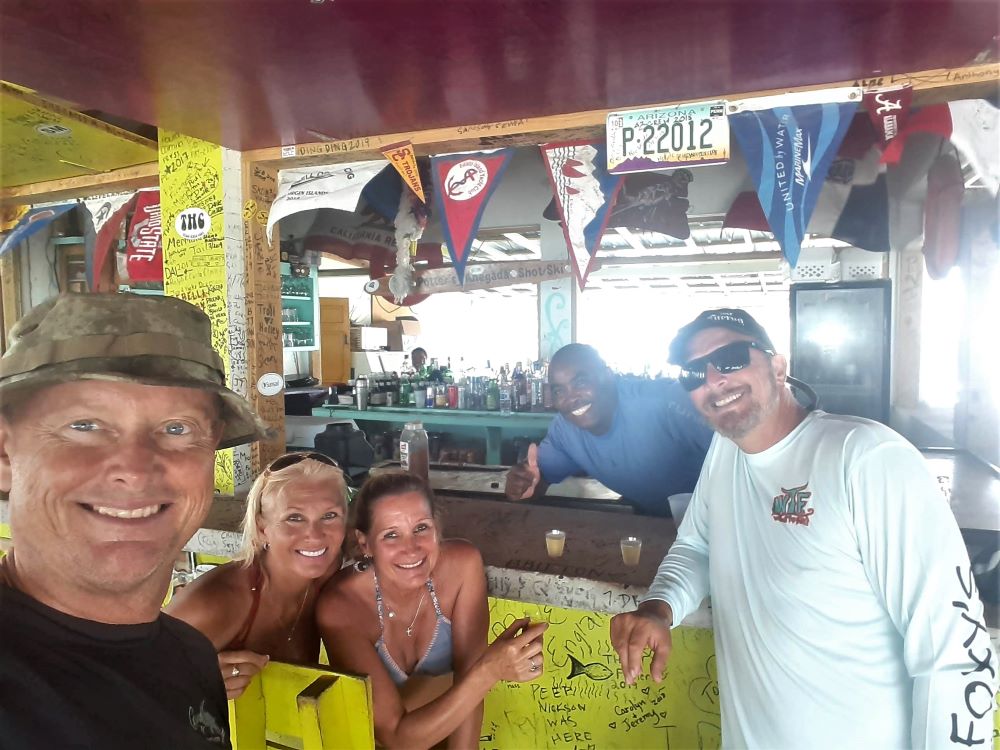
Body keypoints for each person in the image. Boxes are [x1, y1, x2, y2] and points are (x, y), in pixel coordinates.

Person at [610, 308, 997, 748]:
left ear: (778, 367)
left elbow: (955, 655)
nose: (713, 379)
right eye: (693, 372)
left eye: (732, 358)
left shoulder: (866, 458)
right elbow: (698, 545)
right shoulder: (725, 452)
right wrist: (659, 608)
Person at [0, 292, 273, 748]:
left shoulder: (191, 657)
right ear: (5, 454)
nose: (135, 469)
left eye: (177, 429)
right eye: (84, 425)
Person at [317, 472, 546, 749]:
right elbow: (396, 738)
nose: (411, 548)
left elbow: (469, 686)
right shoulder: (341, 606)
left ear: (436, 528)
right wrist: (490, 671)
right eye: (391, 535)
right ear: (365, 543)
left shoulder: (462, 566)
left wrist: (484, 672)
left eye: (421, 528)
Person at [168, 451, 348, 700]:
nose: (315, 535)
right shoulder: (217, 602)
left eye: (329, 516)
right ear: (263, 529)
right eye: (294, 518)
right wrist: (191, 685)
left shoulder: (330, 572)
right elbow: (127, 679)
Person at [504, 343, 713, 516]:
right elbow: (539, 482)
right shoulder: (565, 431)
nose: (571, 398)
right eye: (559, 391)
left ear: (608, 375)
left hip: (720, 518)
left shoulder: (664, 401)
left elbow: (732, 445)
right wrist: (522, 484)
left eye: (580, 382)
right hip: (651, 521)